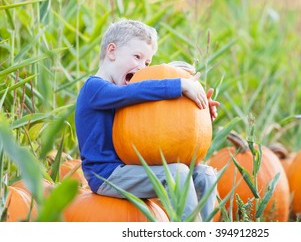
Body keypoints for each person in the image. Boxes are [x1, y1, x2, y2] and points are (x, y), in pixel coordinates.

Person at [75, 19, 220, 221]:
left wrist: (197, 111)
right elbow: (134, 91)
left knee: (205, 174)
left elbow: (156, 121)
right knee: (177, 174)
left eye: (147, 63)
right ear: (112, 52)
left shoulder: (123, 93)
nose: (142, 67)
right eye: (137, 57)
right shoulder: (95, 88)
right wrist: (178, 84)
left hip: (133, 168)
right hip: (107, 176)